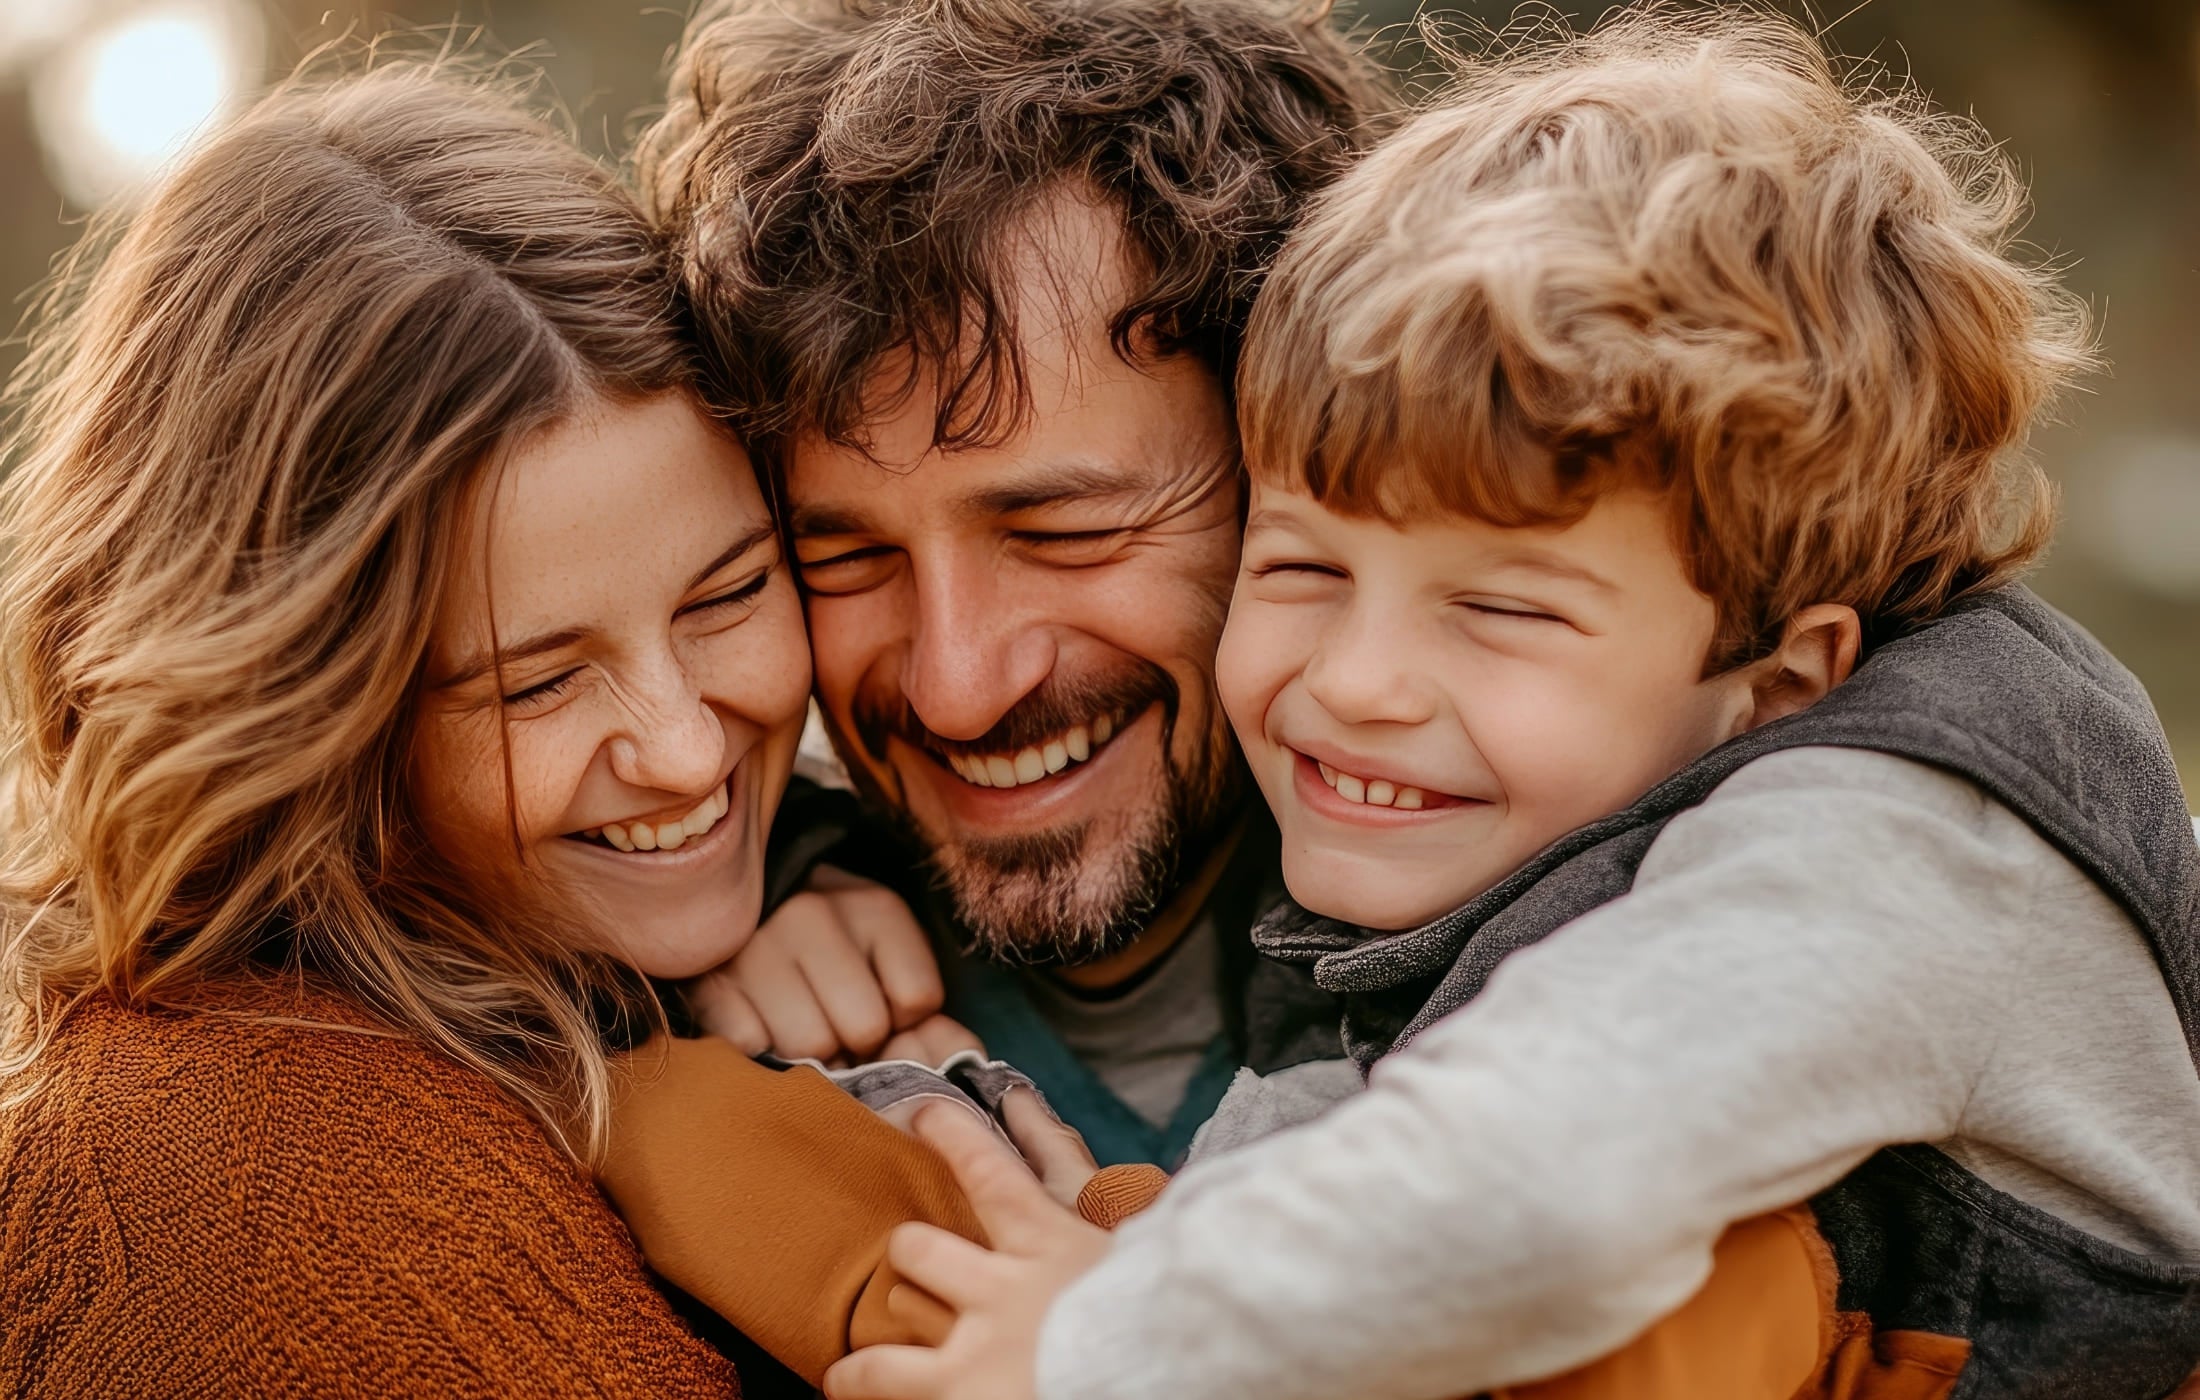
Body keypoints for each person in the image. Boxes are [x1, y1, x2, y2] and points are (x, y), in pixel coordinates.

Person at [817, 9, 2200, 1399]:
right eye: (1303, 565)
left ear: (1777, 680)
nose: (1354, 679)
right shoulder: (1469, 857)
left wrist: (1098, 1344)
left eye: (1499, 609)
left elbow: (1543, 1170)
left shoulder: (1908, 833)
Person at [0, 63, 991, 1397]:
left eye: (733, 592)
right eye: (537, 683)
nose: (691, 751)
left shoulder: (593, 989)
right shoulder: (273, 1208)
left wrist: (797, 868)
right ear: (307, 712)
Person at [629, 0, 1395, 1167]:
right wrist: (715, 900)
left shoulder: (1594, 909)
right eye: (844, 559)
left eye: (1063, 529)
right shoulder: (672, 1012)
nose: (957, 688)